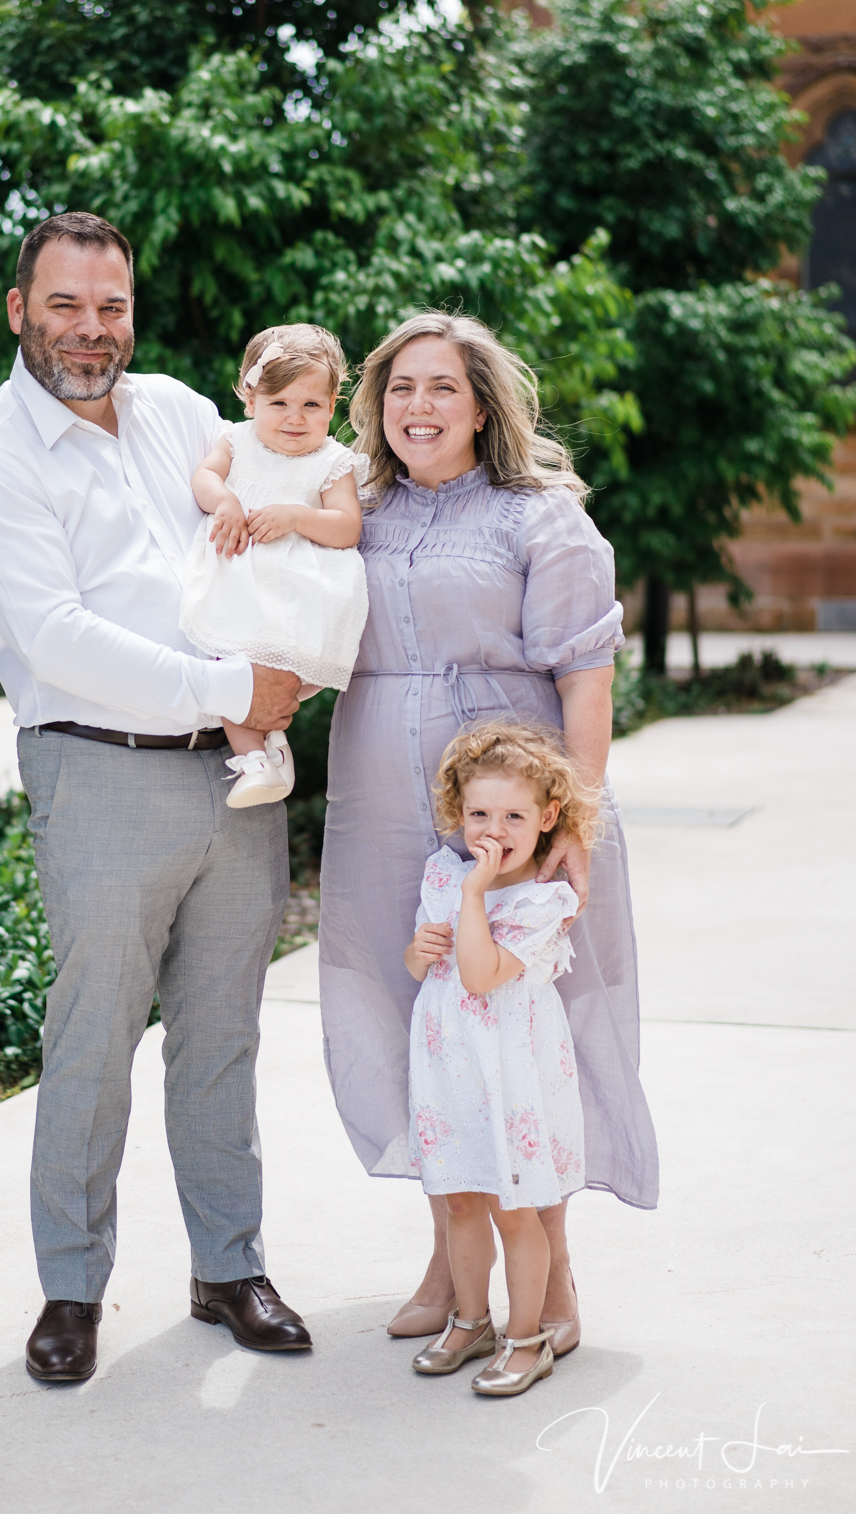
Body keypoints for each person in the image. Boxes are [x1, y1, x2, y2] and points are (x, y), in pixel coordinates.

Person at [0, 210, 313, 1385]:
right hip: (97, 766)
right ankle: (70, 1289)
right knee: (92, 1039)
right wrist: (233, 682)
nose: (90, 331)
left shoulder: (182, 416)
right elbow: (58, 640)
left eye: (110, 307)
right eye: (65, 305)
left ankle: (228, 1265)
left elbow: (285, 497)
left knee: (223, 1035)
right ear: (19, 310)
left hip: (237, 773)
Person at [320, 310, 659, 1354]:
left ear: (483, 406)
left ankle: (548, 1281)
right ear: (376, 404)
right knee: (417, 1020)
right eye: (401, 388)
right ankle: (452, 1258)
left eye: (443, 388)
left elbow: (586, 672)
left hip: (510, 804)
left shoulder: (537, 516)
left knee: (522, 1036)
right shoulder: (353, 510)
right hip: (378, 792)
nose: (418, 407)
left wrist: (578, 820)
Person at [404, 721, 594, 1397]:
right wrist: (420, 950)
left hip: (508, 1075)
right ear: (458, 814)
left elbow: (482, 975)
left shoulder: (544, 901)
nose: (493, 829)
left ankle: (528, 1336)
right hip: (450, 1068)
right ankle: (470, 1318)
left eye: (513, 816)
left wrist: (473, 896)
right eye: (478, 813)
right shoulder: (443, 872)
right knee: (459, 1200)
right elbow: (432, 967)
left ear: (547, 818)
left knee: (516, 1207)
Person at [180, 325, 368, 807]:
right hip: (241, 583)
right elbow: (204, 477)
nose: (294, 418)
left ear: (331, 406)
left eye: (311, 405)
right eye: (279, 403)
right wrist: (224, 502)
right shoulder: (236, 441)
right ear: (250, 401)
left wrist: (299, 517)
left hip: (295, 595)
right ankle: (258, 761)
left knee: (271, 675)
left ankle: (267, 750)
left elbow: (347, 527)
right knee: (231, 666)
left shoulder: (332, 461)